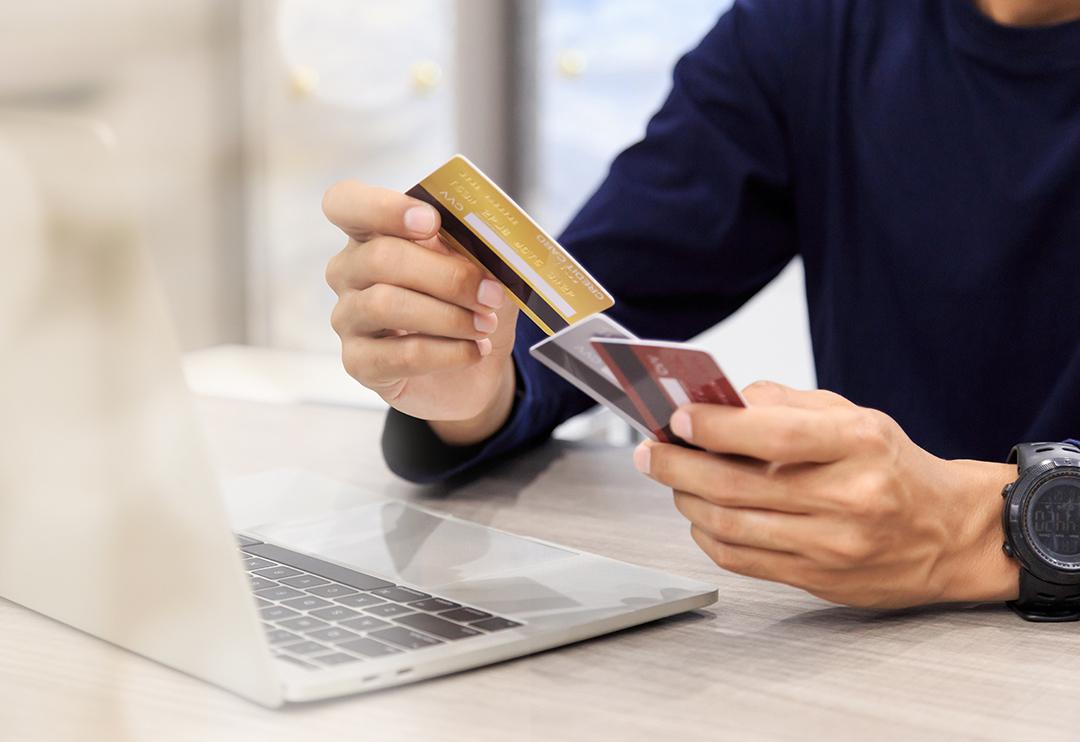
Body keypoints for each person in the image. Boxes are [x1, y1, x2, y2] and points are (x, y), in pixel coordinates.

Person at [321, 0, 1080, 612]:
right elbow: (587, 313)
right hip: (874, 661)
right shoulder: (808, 31)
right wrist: (473, 375)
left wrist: (980, 528)